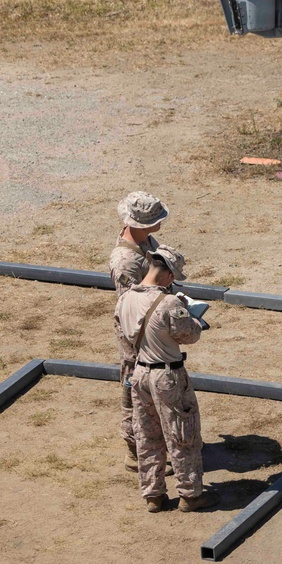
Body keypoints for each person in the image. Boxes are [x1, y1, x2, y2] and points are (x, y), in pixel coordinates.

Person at [115, 246, 219, 512]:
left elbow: (124, 333)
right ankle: (190, 494)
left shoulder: (125, 298)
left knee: (147, 435)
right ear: (169, 275)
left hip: (139, 373)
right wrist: (190, 314)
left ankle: (153, 495)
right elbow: (190, 335)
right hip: (168, 375)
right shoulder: (169, 303)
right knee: (182, 435)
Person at [109, 191, 169, 472]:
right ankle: (136, 452)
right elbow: (129, 307)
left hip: (153, 328)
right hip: (138, 338)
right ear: (140, 224)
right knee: (135, 394)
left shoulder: (145, 241)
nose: (160, 224)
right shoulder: (124, 261)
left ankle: (158, 444)